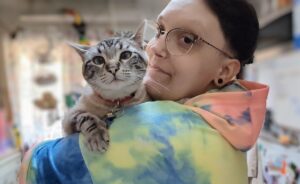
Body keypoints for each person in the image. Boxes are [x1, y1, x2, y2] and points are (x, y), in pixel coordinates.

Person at [19, 0, 269, 183]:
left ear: (225, 71)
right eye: (159, 31)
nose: (155, 48)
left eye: (187, 39)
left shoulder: (158, 132)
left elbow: (34, 170)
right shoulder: (233, 119)